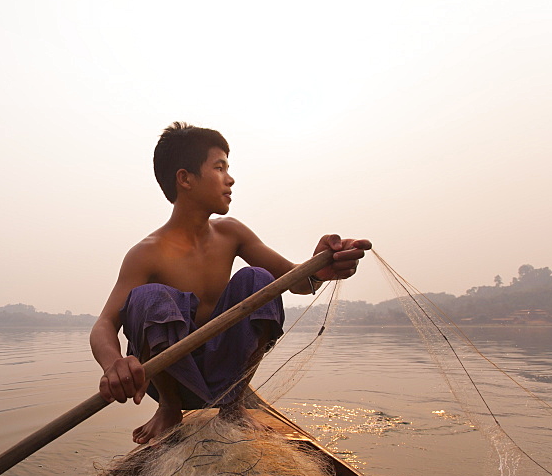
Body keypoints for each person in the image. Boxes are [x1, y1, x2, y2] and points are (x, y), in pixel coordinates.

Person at [90, 122, 371, 444]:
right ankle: (169, 408)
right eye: (219, 167)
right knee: (149, 296)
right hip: (170, 381)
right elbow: (104, 323)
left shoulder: (231, 233)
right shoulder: (147, 253)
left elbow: (296, 281)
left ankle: (233, 403)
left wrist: (322, 268)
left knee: (258, 279)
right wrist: (114, 364)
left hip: (227, 374)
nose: (230, 178)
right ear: (185, 179)